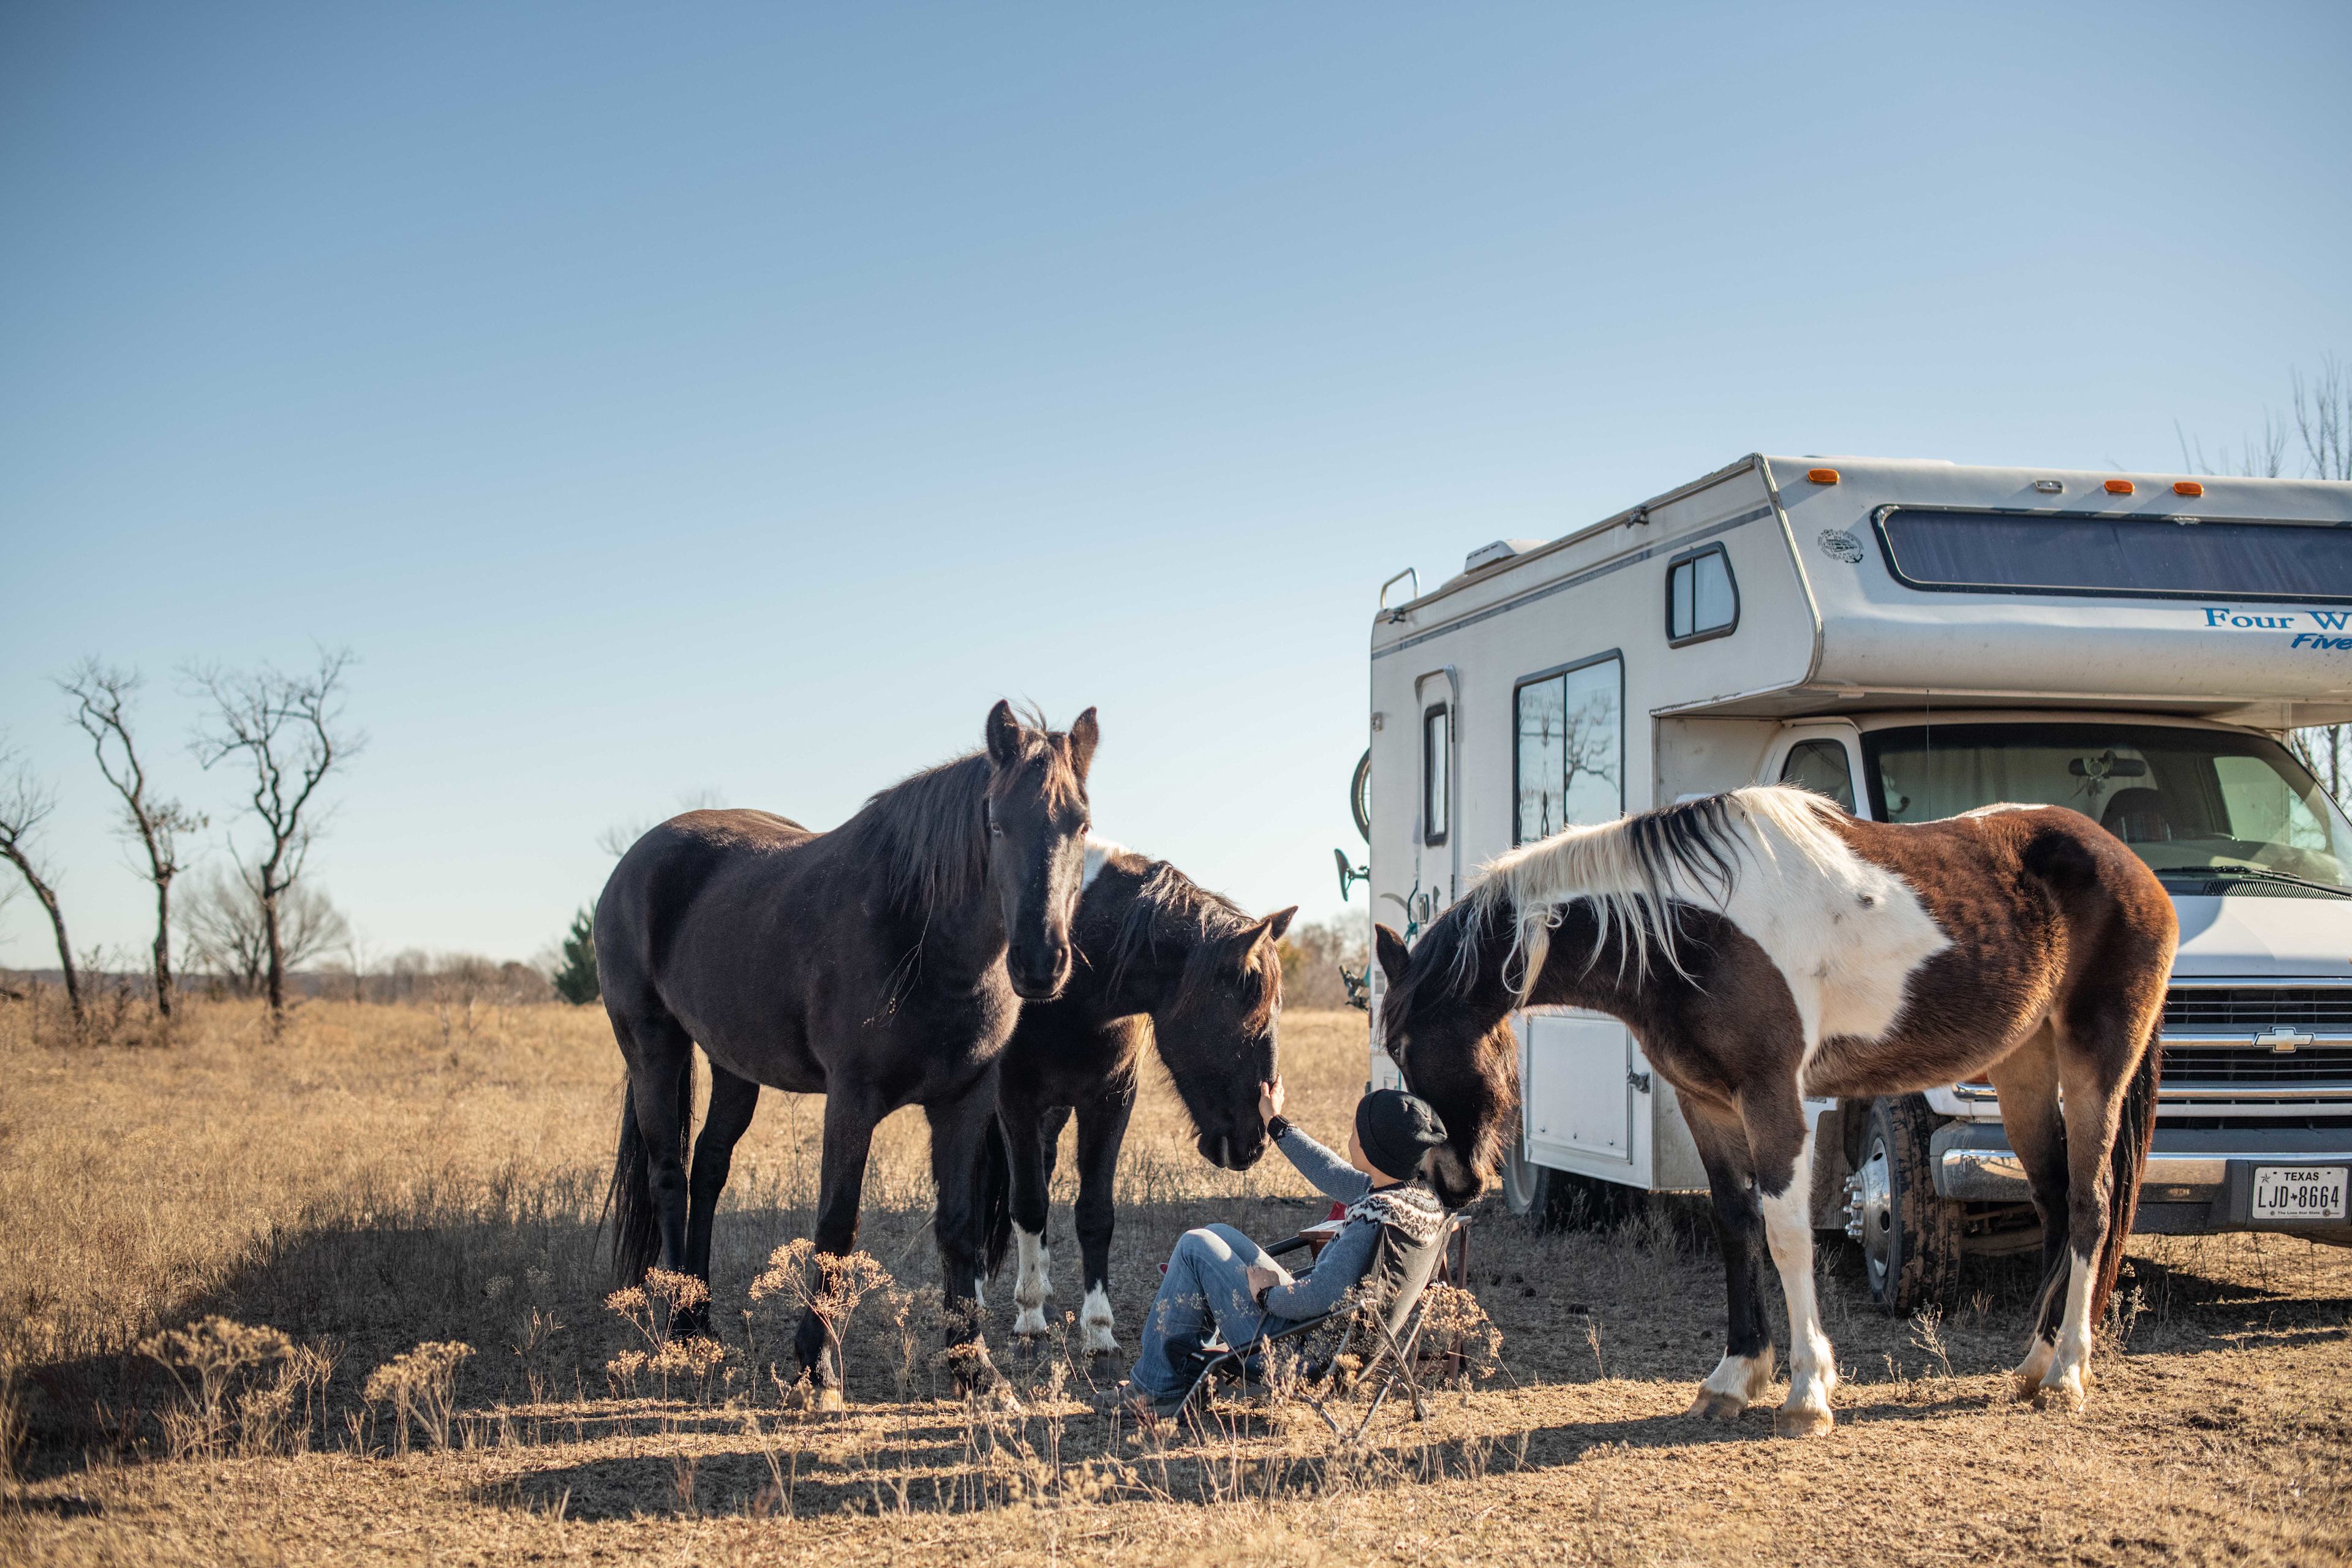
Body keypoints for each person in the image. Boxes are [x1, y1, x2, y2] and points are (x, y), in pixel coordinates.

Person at [1109, 1077, 1449, 1418]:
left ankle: (1157, 1389)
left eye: (1357, 1131)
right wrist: (1275, 1122)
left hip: (1301, 1354)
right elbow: (1329, 1171)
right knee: (1217, 1233)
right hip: (1322, 1336)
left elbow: (1319, 1295)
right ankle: (1181, 1378)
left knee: (1194, 1247)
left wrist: (1267, 1296)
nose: (1352, 1135)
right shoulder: (1412, 1199)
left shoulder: (1372, 1220)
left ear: (1375, 1149)